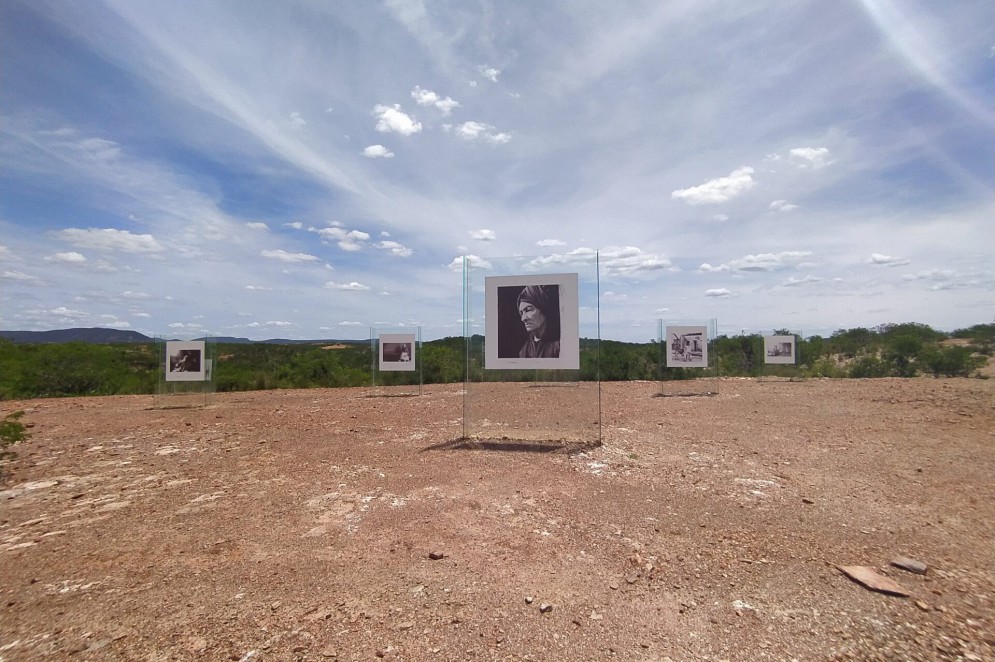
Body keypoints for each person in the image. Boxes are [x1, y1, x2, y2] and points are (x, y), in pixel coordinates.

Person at [516, 285, 560, 358]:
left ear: (543, 309)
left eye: (528, 310)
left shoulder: (559, 346)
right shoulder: (524, 350)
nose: (523, 318)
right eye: (522, 312)